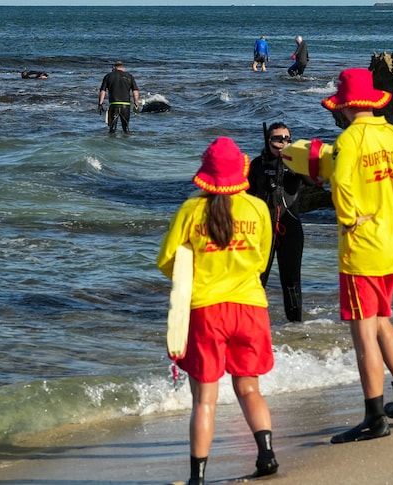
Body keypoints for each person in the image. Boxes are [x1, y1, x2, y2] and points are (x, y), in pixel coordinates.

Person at [157, 137, 278, 485]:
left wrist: (194, 273)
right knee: (250, 389)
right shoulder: (257, 208)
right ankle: (267, 455)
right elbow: (261, 259)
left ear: (207, 175)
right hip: (250, 307)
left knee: (204, 400)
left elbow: (167, 261)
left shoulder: (191, 210)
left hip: (206, 310)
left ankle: (197, 477)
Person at [320, 67, 393, 444]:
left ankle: (374, 417)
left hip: (364, 247)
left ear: (344, 106)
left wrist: (350, 218)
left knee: (364, 333)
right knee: (382, 320)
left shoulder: (349, 140)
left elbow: (340, 183)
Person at [247, 122, 313, 322]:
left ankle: (295, 328)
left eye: (287, 139)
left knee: (291, 281)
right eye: (278, 139)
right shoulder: (257, 165)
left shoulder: (296, 163)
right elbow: (246, 197)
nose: (283, 143)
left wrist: (302, 161)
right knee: (257, 279)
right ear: (268, 141)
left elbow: (313, 182)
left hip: (290, 229)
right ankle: (252, 323)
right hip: (263, 231)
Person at [98, 60, 140, 134]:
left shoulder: (108, 76)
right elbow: (135, 91)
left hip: (114, 105)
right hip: (126, 105)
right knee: (126, 128)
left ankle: (111, 140)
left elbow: (103, 91)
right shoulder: (129, 76)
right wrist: (136, 103)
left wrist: (100, 104)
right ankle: (127, 140)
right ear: (123, 68)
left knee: (112, 129)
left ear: (114, 67)